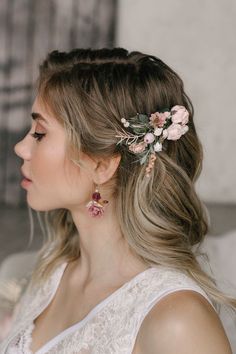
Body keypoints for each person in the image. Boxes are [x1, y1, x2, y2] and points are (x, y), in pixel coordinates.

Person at [1, 47, 235, 353]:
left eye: (40, 133)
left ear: (102, 165)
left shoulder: (177, 322)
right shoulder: (52, 273)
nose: (21, 147)